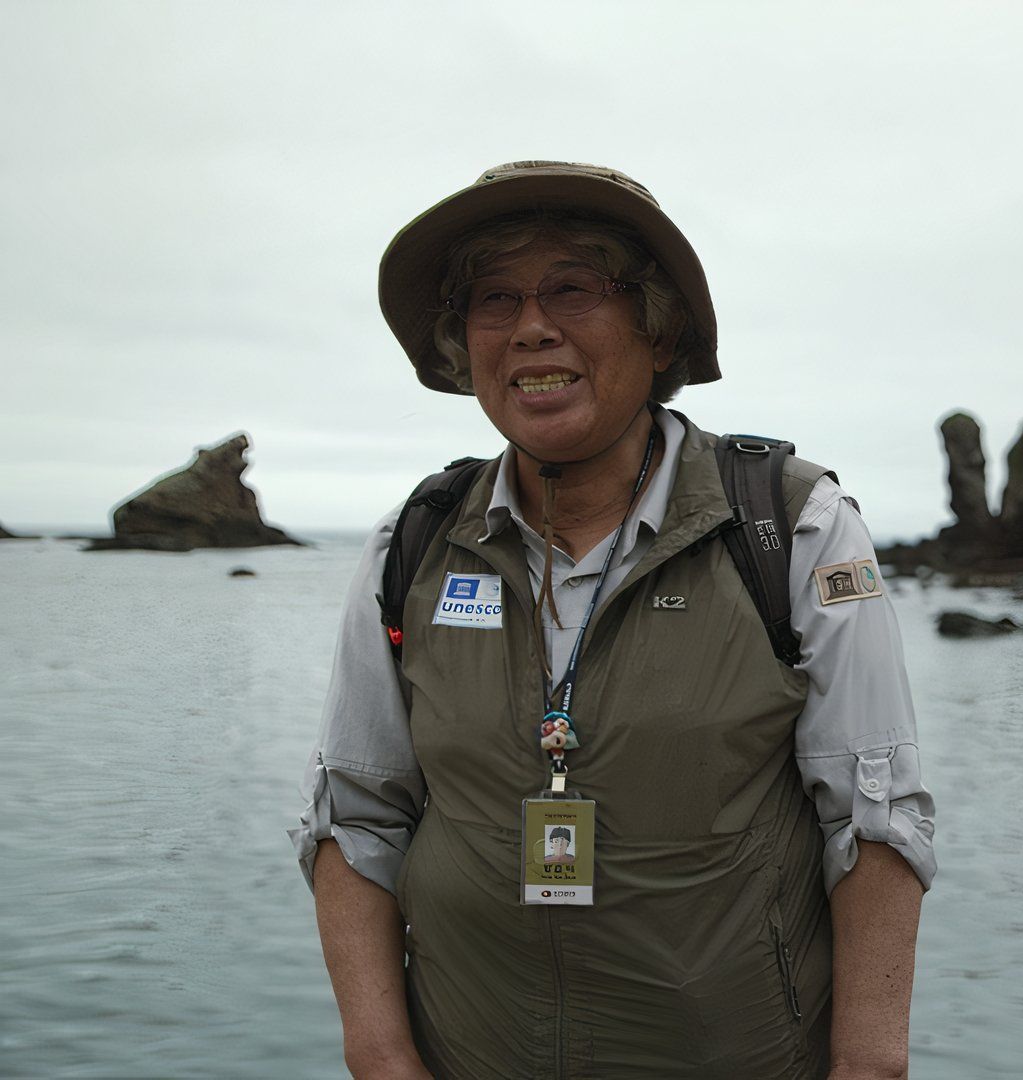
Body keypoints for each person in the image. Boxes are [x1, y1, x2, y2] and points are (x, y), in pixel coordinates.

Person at [289, 161, 935, 1079]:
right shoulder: (416, 542)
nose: (530, 326)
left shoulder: (794, 526)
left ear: (656, 323)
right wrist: (382, 1058)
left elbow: (874, 820)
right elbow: (354, 815)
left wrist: (868, 1065)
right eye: (493, 298)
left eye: (573, 289)